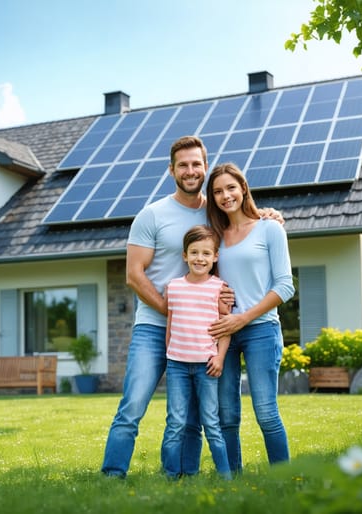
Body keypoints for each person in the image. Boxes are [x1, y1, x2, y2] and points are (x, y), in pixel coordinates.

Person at [100, 136, 282, 478]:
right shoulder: (151, 214)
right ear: (172, 170)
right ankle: (112, 474)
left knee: (195, 415)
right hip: (154, 327)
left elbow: (244, 228)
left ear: (205, 166)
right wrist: (175, 313)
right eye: (182, 165)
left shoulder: (215, 211)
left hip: (202, 334)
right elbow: (134, 275)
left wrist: (268, 214)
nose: (190, 171)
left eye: (196, 164)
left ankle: (186, 475)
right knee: (133, 405)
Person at [205, 162, 295, 475]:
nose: (225, 195)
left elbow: (284, 286)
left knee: (267, 412)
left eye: (231, 187)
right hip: (225, 332)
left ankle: (282, 479)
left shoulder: (270, 228)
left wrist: (242, 318)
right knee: (226, 414)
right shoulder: (215, 236)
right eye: (217, 191)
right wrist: (220, 299)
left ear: (243, 188)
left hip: (261, 330)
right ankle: (232, 479)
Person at [161, 225, 231, 479]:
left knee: (211, 423)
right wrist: (169, 356)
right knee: (176, 423)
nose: (199, 258)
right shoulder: (174, 287)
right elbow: (170, 324)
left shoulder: (219, 288)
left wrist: (220, 356)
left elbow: (225, 328)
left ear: (215, 257)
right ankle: (170, 476)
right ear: (184, 256)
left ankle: (225, 477)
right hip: (178, 365)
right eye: (194, 253)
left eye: (205, 253)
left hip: (206, 366)